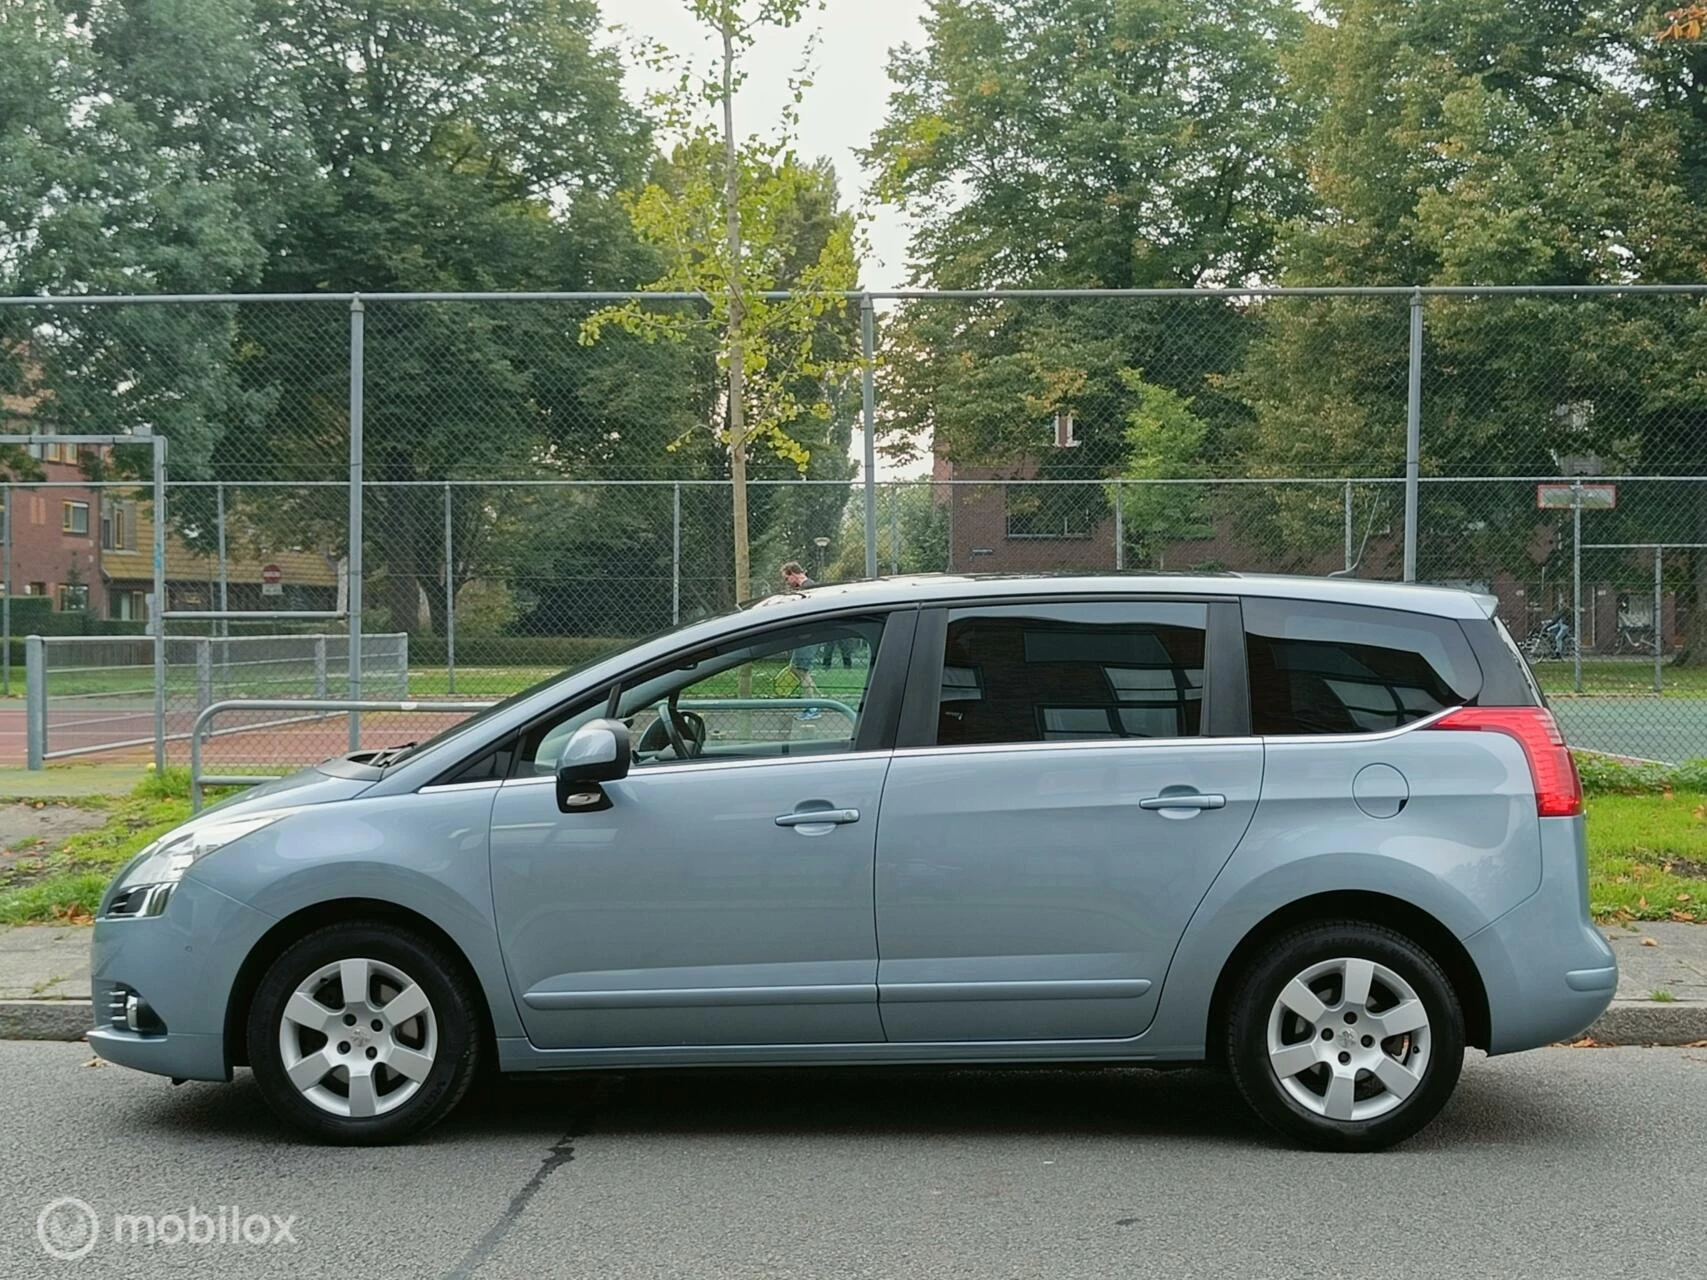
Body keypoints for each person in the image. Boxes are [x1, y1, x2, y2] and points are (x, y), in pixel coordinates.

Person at [779, 562, 821, 719]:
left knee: (801, 670)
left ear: (792, 573)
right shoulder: (807, 587)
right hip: (808, 637)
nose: (787, 583)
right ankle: (816, 703)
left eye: (786, 578)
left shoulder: (808, 588)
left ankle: (813, 708)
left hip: (808, 637)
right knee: (800, 670)